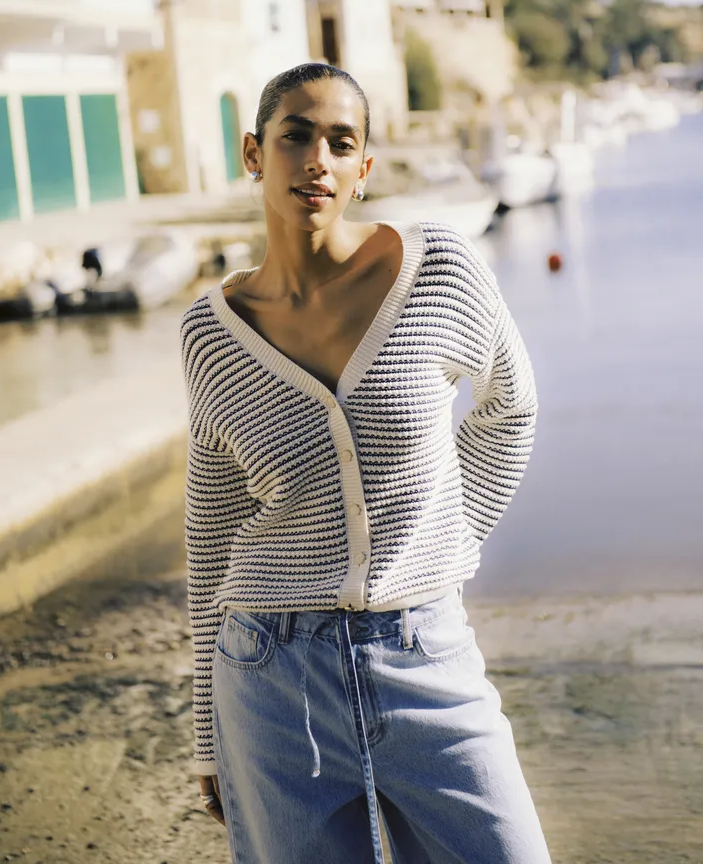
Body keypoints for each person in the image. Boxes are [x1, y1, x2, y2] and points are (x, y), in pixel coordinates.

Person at [180, 62, 552, 864]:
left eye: (340, 142)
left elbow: (510, 407)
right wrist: (206, 733)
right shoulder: (209, 333)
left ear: (363, 169)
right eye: (296, 136)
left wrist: (442, 541)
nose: (318, 159)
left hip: (426, 652)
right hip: (270, 681)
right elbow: (212, 532)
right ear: (253, 153)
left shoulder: (440, 269)